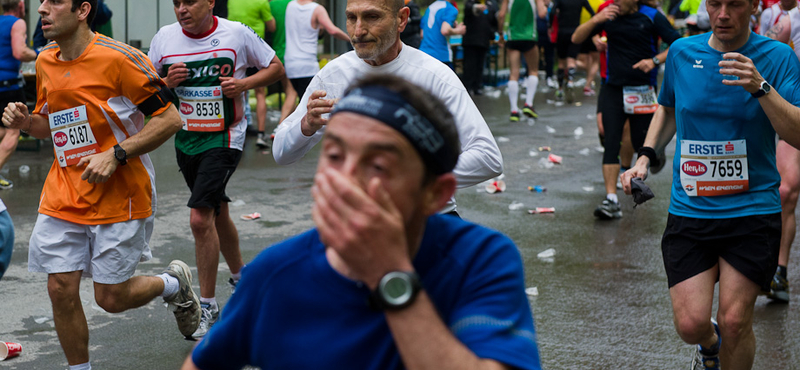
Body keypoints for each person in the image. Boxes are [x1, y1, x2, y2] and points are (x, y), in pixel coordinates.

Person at [182, 73, 541, 370]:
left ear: (437, 193)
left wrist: (390, 277)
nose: (346, 178)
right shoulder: (274, 274)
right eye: (335, 155)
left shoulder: (480, 260)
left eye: (379, 165)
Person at [1, 0, 201, 368]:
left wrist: (117, 154)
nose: (42, 9)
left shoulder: (120, 58)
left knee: (110, 298)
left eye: (54, 2)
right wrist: (26, 121)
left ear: (82, 10)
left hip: (120, 193)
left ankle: (173, 283)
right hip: (64, 190)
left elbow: (170, 119)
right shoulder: (46, 60)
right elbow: (52, 124)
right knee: (60, 288)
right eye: (41, 2)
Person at [620, 0, 800, 367]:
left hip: (752, 210)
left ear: (752, 6)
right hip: (692, 210)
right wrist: (644, 157)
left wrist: (761, 87)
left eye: (734, 4)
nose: (722, 14)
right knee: (690, 324)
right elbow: (668, 108)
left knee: (735, 322)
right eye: (715, 3)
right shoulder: (683, 53)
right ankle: (710, 347)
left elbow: (796, 133)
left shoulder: (779, 56)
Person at [272, 0, 503, 216]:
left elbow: (488, 158)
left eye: (372, 16)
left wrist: (411, 178)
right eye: (351, 18)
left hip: (427, 219)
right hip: (357, 222)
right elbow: (281, 153)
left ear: (402, 19)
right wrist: (305, 126)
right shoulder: (333, 75)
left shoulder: (434, 76)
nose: (358, 30)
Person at [148, 0, 285, 339]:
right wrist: (165, 81)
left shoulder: (235, 34)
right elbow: (146, 88)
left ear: (209, 2)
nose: (182, 9)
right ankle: (243, 280)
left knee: (199, 217)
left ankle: (207, 305)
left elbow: (276, 67)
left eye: (189, 2)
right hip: (186, 139)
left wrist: (244, 85)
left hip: (226, 137)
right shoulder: (164, 38)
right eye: (176, 3)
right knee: (216, 211)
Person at [573, 0, 679, 220]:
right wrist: (596, 21)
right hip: (613, 87)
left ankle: (655, 157)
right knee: (611, 139)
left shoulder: (651, 16)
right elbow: (576, 38)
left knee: (644, 142)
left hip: (642, 89)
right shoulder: (607, 13)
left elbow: (678, 45)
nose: (617, 2)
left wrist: (654, 60)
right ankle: (611, 199)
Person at [763, 7, 800, 303]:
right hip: (791, 109)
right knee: (786, 191)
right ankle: (779, 270)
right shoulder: (785, 20)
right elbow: (762, 54)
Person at [227, 0, 276, 148]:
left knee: (237, 90)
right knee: (260, 92)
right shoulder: (261, 2)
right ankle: (261, 135)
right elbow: (271, 27)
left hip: (234, 50)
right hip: (254, 53)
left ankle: (237, 131)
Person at [0, 0, 37, 189]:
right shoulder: (18, 22)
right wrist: (40, 53)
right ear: (20, 5)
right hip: (8, 86)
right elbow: (19, 51)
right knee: (14, 132)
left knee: (2, 130)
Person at [284, 0, 350, 104]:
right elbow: (332, 30)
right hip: (307, 65)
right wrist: (350, 39)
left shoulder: (290, 5)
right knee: (311, 104)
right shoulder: (317, 9)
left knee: (299, 100)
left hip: (290, 64)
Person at [498, 0, 547, 121]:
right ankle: (528, 104)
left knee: (514, 74)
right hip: (529, 36)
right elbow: (542, 13)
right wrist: (545, 6)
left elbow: (501, 15)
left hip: (513, 36)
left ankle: (514, 110)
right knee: (533, 70)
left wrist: (500, 34)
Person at [550, 0, 594, 103]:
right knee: (571, 60)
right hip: (575, 32)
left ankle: (560, 88)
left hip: (562, 32)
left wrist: (550, 25)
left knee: (561, 62)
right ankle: (570, 81)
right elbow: (592, 12)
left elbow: (552, 12)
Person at [266, 0, 299, 125]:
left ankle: (288, 125)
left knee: (288, 92)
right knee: (292, 92)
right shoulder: (295, 4)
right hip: (292, 54)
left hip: (277, 54)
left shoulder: (271, 5)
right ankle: (280, 127)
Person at [462, 0, 498, 96]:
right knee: (469, 66)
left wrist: (492, 34)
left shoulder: (491, 5)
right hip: (471, 41)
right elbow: (469, 8)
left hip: (483, 41)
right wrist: (477, 7)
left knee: (480, 66)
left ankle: (477, 86)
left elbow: (494, 23)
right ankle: (467, 87)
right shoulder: (471, 3)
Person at [419, 0, 466, 67]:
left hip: (424, 54)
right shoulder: (449, 9)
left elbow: (422, 34)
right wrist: (458, 30)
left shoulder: (429, 8)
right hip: (441, 56)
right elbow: (445, 30)